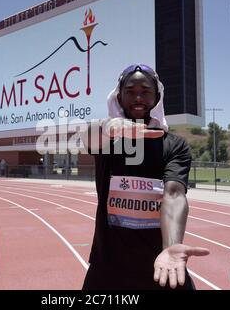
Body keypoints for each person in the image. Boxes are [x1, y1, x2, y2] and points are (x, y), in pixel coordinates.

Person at [81, 64, 209, 290]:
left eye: (145, 91)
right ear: (119, 97)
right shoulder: (108, 142)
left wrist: (171, 247)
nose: (137, 96)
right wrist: (110, 127)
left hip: (162, 268)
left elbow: (174, 194)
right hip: (108, 268)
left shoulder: (174, 146)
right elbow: (87, 138)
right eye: (130, 91)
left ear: (157, 97)